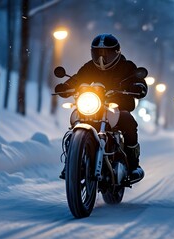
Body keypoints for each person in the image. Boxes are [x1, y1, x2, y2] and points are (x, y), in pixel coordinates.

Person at [54, 33, 148, 184]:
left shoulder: (127, 67)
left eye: (107, 54)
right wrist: (66, 86)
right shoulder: (89, 67)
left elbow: (139, 81)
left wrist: (139, 86)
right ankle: (71, 163)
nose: (102, 59)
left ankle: (133, 165)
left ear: (117, 52)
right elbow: (77, 79)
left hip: (117, 108)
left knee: (128, 121)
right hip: (92, 108)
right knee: (74, 120)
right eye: (97, 54)